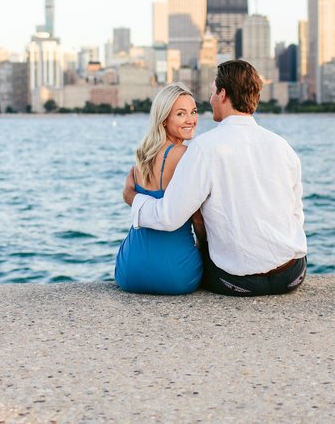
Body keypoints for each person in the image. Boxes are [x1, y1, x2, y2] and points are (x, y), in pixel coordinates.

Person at [123, 60, 307, 297]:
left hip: (239, 282)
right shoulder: (283, 147)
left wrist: (132, 198)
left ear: (222, 94)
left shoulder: (204, 148)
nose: (209, 101)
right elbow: (296, 215)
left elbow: (169, 218)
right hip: (292, 275)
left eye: (211, 93)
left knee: (200, 259)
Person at [114, 82, 204, 294]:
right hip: (176, 275)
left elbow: (130, 195)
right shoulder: (184, 154)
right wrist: (207, 253)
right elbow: (198, 219)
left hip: (129, 272)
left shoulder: (142, 155)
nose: (191, 119)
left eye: (193, 112)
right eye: (181, 114)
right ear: (164, 119)